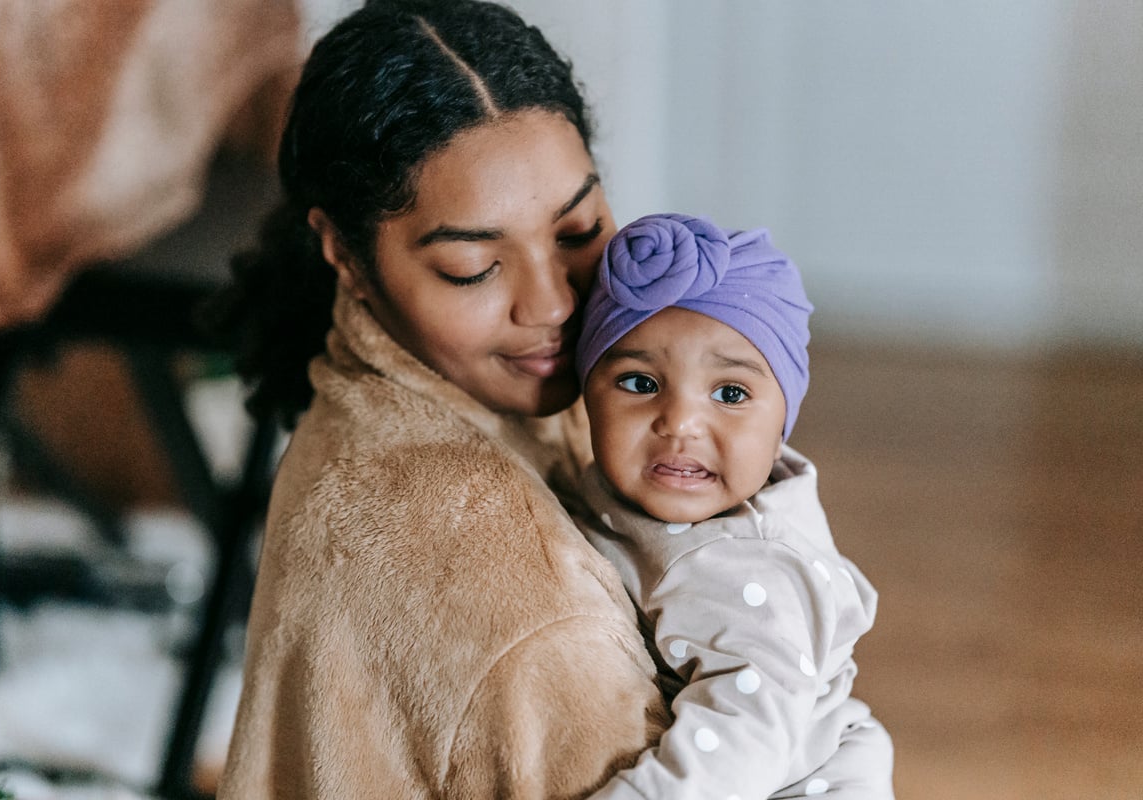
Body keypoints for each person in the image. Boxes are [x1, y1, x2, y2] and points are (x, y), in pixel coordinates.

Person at [210, 1, 670, 797]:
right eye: (471, 267)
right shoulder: (524, 602)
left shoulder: (384, 398)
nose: (552, 303)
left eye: (578, 230)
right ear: (345, 257)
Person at [573, 214, 895, 799]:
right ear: (586, 398)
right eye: (640, 383)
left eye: (730, 394)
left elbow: (742, 741)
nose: (681, 423)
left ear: (781, 426)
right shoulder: (601, 487)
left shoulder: (743, 573)